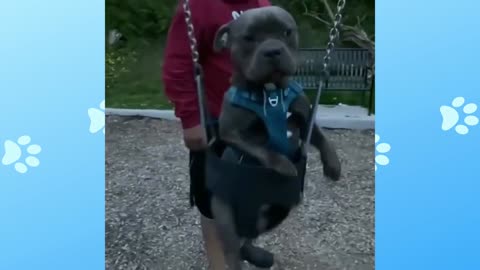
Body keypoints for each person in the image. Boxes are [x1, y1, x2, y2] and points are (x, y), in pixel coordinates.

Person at [162, 0, 273, 269]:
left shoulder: (262, 4)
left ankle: (242, 243)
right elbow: (178, 67)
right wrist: (190, 119)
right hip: (216, 124)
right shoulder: (198, 7)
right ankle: (219, 264)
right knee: (215, 203)